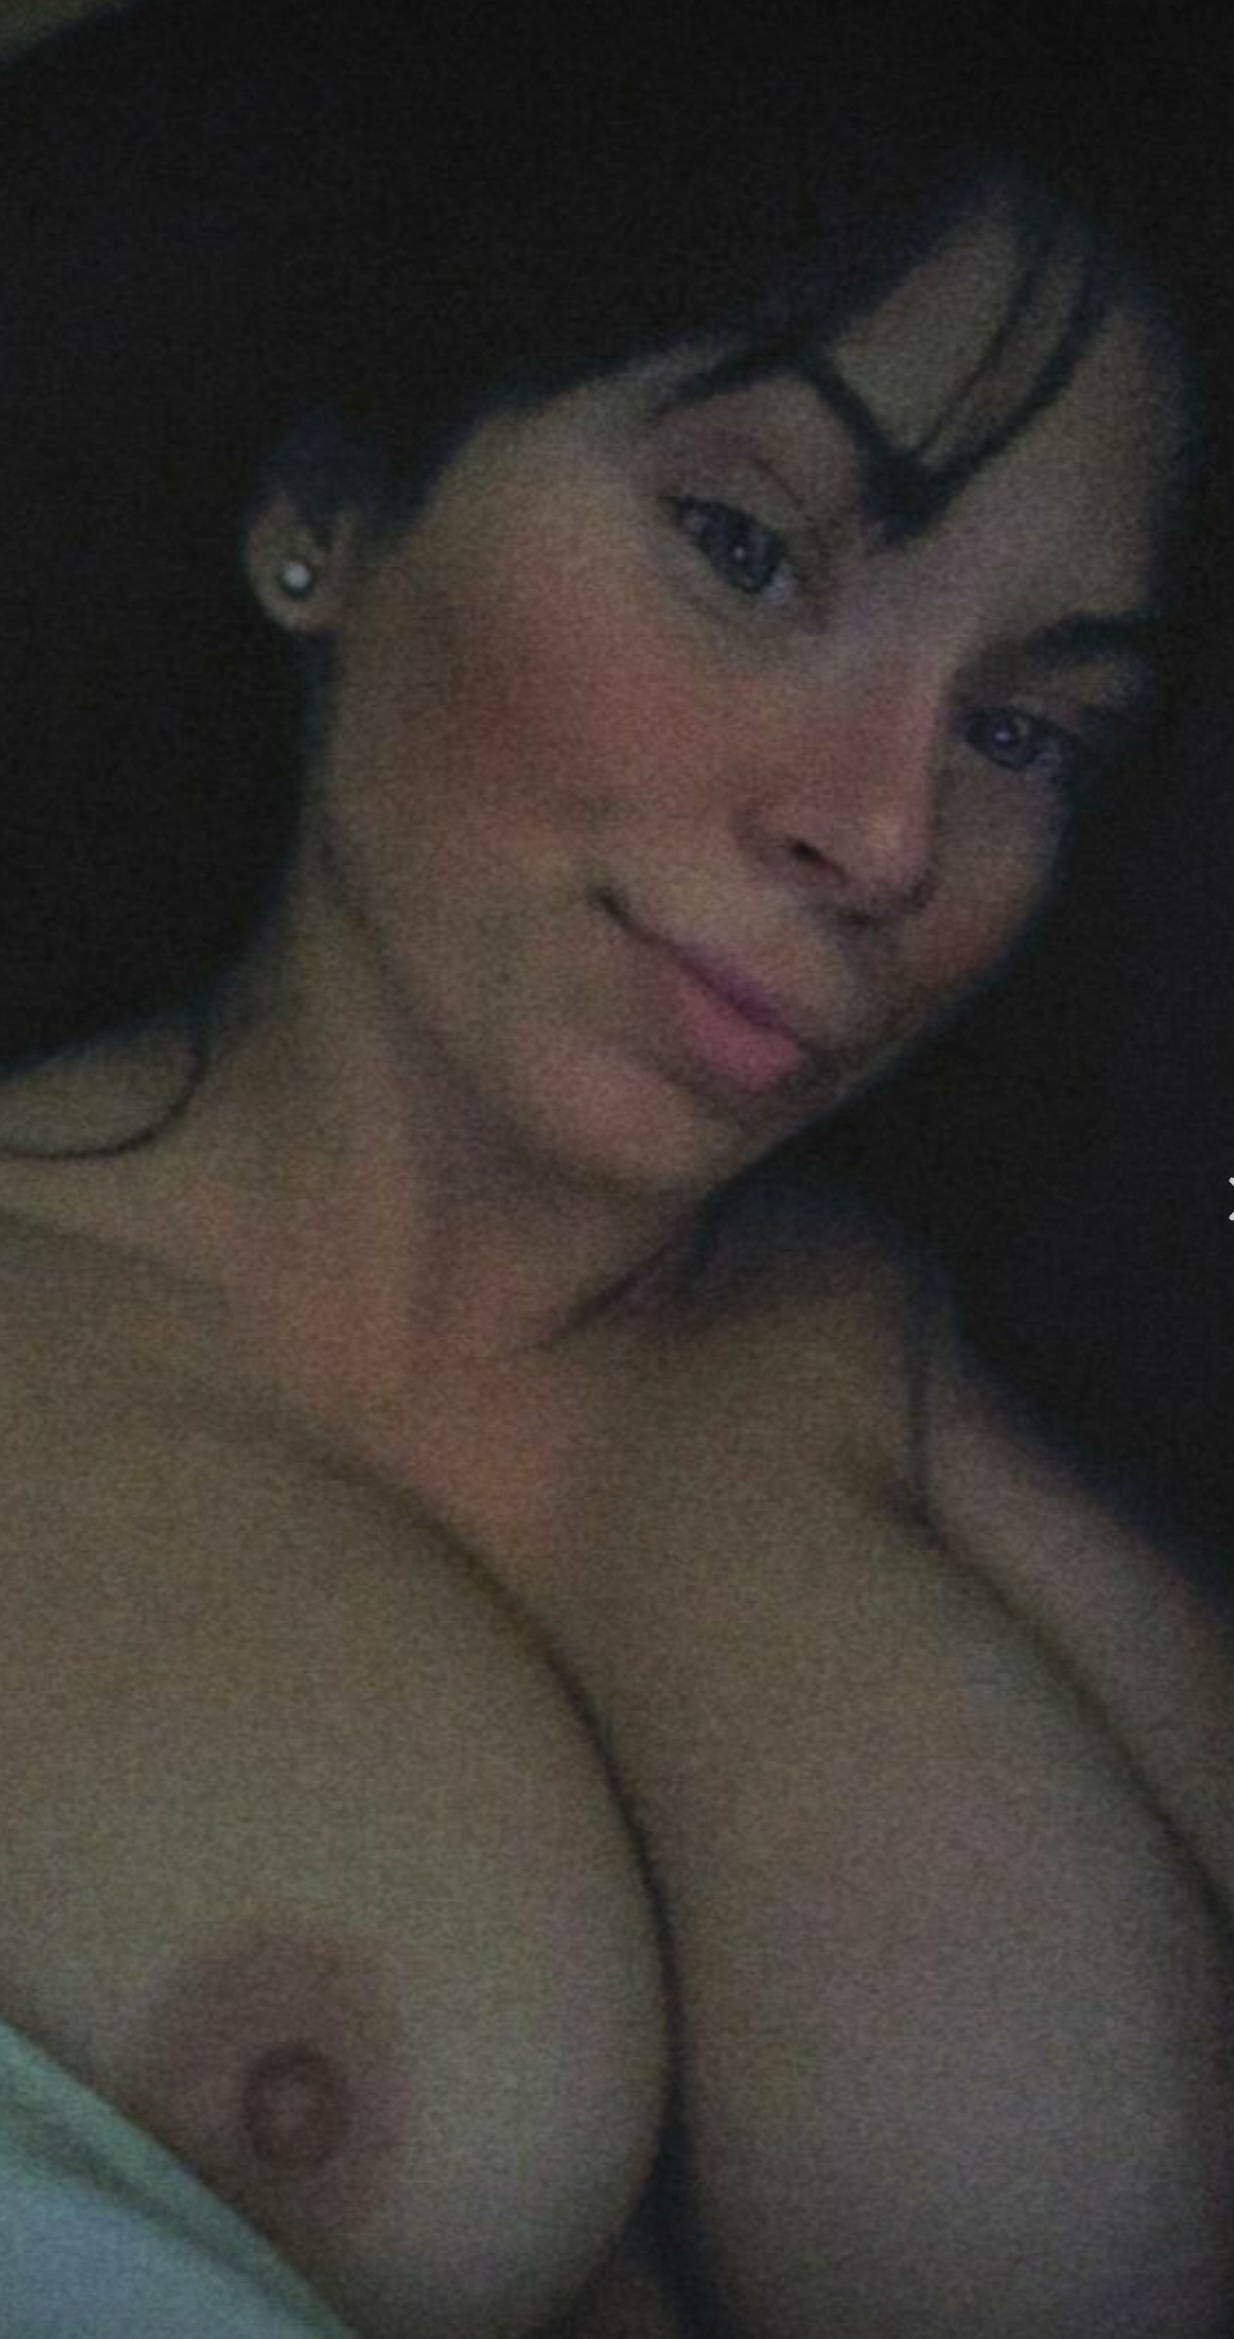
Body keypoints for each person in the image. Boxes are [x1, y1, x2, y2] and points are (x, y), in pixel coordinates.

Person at [0, 2, 1232, 2333]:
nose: (884, 834)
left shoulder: (909, 1371)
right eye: (742, 548)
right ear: (328, 517)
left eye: (1021, 729)